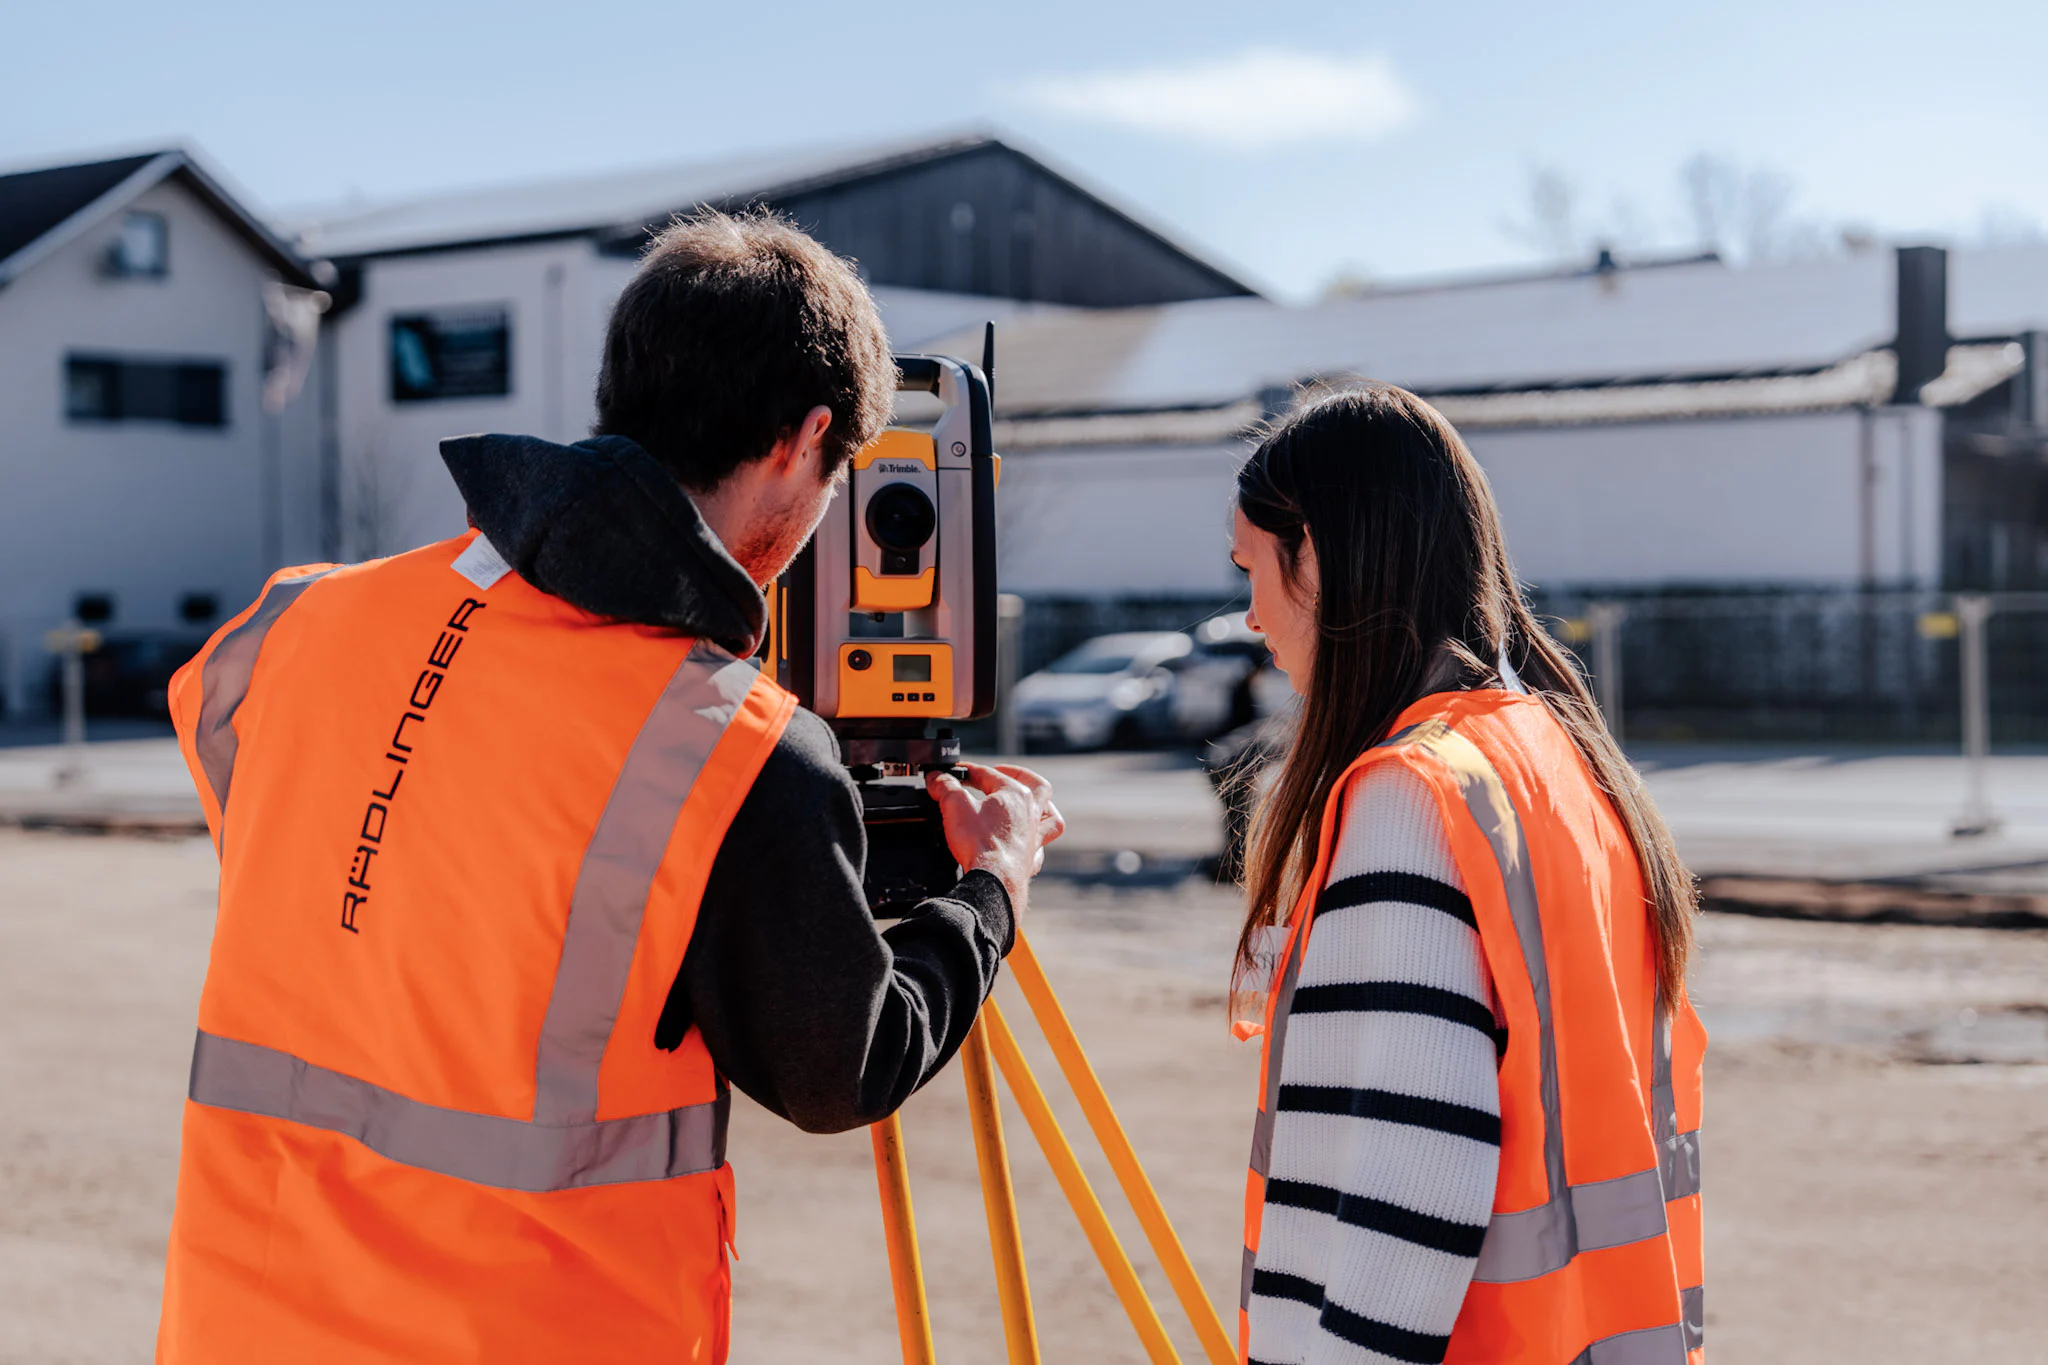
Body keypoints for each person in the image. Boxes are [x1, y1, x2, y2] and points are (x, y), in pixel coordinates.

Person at [154, 210, 1062, 1364]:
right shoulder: (728, 746)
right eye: (838, 478)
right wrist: (991, 880)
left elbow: (264, 778)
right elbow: (846, 1065)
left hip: (246, 1321)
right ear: (806, 440)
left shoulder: (306, 618)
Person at [1229, 386, 1705, 1365]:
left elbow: (1410, 1190)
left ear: (1314, 553)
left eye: (1251, 570)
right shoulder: (1551, 757)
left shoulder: (1407, 799)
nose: (1247, 616)